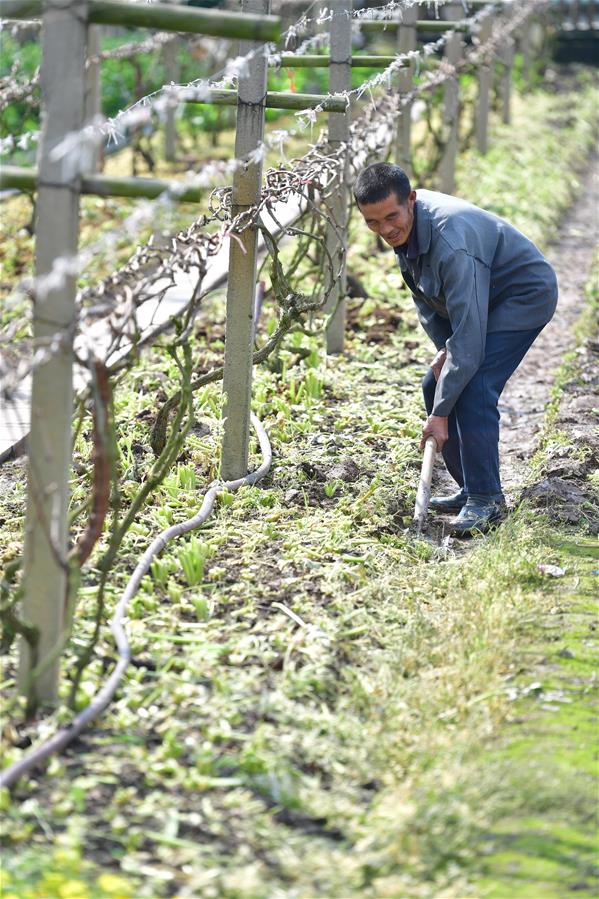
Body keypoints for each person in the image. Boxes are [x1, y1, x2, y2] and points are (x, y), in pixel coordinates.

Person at [353, 162, 558, 536]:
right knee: (434, 384)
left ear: (411, 200)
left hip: (522, 295)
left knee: (475, 385)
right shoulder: (406, 230)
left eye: (391, 217)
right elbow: (426, 300)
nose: (385, 230)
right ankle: (471, 487)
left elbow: (470, 336)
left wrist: (441, 414)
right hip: (482, 299)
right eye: (373, 223)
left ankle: (487, 499)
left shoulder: (451, 242)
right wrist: (443, 351)